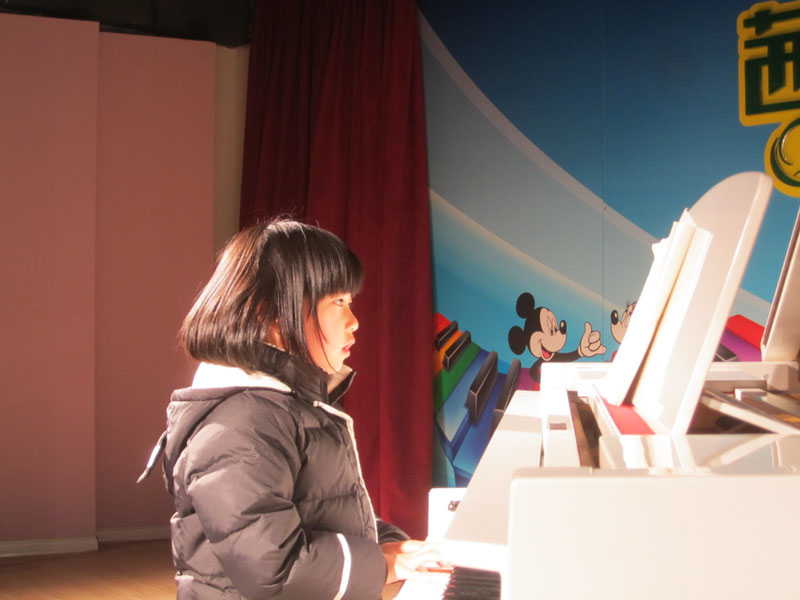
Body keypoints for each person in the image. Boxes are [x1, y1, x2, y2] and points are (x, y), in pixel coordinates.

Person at [139, 218, 443, 599]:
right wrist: (384, 563)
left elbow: (320, 511)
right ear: (274, 316)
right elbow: (275, 568)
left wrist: (391, 545)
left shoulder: (281, 406)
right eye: (338, 302)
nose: (354, 321)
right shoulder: (239, 425)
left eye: (350, 302)